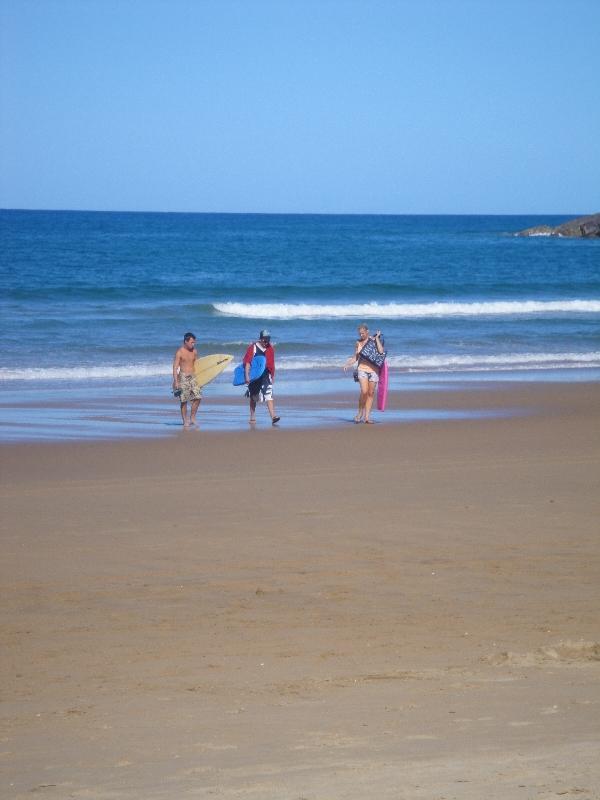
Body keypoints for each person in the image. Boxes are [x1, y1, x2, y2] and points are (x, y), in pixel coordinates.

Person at [345, 323, 386, 424]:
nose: (361, 335)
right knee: (364, 391)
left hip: (374, 370)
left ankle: (367, 417)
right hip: (362, 369)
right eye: (360, 334)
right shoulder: (358, 343)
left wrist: (376, 338)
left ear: (367, 332)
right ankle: (360, 413)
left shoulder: (373, 341)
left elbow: (381, 351)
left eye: (363, 333)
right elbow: (356, 357)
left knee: (371, 393)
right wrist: (348, 363)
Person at [243, 329, 280, 425]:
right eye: (264, 339)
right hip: (254, 376)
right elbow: (247, 362)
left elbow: (272, 363)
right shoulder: (253, 347)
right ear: (260, 339)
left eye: (268, 339)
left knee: (269, 395)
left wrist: (272, 376)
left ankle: (273, 417)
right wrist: (247, 376)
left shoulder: (270, 348)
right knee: (254, 397)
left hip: (266, 376)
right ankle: (252, 417)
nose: (266, 342)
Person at [172, 332, 202, 428]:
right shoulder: (179, 352)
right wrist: (176, 381)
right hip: (183, 377)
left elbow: (198, 366)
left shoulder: (195, 351)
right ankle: (185, 420)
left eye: (194, 342)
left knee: (198, 397)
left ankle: (192, 417)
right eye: (192, 342)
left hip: (193, 377)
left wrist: (202, 379)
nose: (193, 344)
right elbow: (175, 368)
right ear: (186, 341)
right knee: (184, 401)